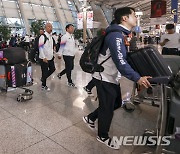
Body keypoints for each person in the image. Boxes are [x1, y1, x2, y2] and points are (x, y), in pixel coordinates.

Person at [83, 7, 151, 150]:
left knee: (115, 103)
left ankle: (91, 118)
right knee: (108, 107)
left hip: (111, 76)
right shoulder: (116, 36)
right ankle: (103, 136)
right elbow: (121, 61)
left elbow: (123, 58)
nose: (136, 17)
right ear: (124, 18)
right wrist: (137, 78)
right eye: (133, 15)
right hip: (104, 77)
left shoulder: (120, 34)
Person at [39, 23, 56, 91]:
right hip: (44, 58)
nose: (50, 28)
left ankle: (43, 78)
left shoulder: (51, 37)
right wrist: (43, 57)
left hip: (50, 57)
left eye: (51, 26)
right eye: (48, 27)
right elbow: (40, 47)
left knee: (52, 69)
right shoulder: (42, 37)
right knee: (44, 71)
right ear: (45, 28)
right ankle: (43, 85)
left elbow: (51, 47)